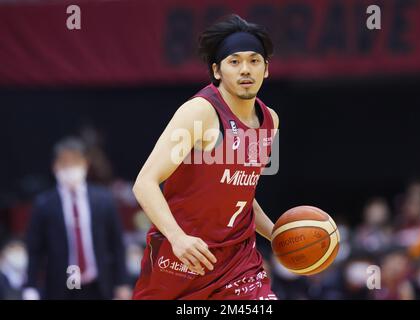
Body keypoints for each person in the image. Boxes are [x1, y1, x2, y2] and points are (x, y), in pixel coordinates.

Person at [132, 14, 279, 300]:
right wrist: (177, 238)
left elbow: (242, 192)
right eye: (234, 62)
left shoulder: (270, 121)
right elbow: (145, 183)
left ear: (266, 69)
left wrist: (277, 235)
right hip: (184, 255)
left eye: (254, 60)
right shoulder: (200, 112)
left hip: (239, 262)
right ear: (217, 71)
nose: (245, 70)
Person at [24, 137, 131, 300]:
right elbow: (35, 250)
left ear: (85, 164)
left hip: (99, 284)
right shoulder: (44, 204)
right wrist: (30, 286)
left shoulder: (104, 199)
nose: (69, 168)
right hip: (60, 286)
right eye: (64, 163)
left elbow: (116, 244)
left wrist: (122, 282)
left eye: (74, 162)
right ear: (55, 166)